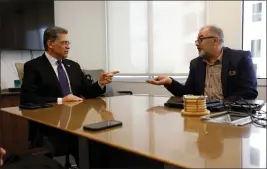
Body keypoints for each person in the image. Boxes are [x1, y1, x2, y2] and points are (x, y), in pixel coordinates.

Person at [20, 26, 119, 166]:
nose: (68, 47)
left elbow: (88, 92)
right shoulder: (33, 66)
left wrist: (100, 83)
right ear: (50, 44)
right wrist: (60, 100)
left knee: (102, 143)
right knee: (89, 146)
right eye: (64, 43)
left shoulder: (74, 66)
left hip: (77, 123)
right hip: (52, 125)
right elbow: (28, 99)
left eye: (68, 43)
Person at [146, 25, 258, 100]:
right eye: (197, 41)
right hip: (202, 115)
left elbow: (249, 92)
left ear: (215, 40)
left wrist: (219, 105)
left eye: (200, 39)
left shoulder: (240, 58)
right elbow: (187, 93)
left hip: (232, 117)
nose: (197, 44)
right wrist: (169, 82)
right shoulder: (196, 64)